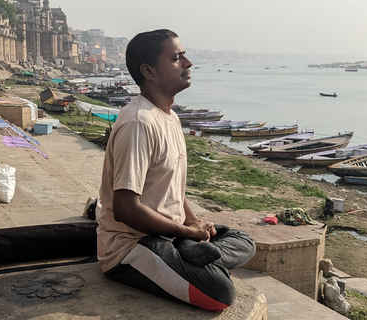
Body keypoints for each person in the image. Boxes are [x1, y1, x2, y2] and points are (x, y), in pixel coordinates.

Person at [96, 29, 256, 311]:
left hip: (171, 235)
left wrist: (194, 225)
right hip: (134, 245)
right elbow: (125, 209)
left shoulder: (170, 118)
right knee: (221, 292)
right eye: (176, 58)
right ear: (149, 71)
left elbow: (170, 187)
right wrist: (188, 234)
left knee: (244, 240)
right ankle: (192, 254)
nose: (188, 63)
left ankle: (192, 253)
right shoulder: (139, 123)